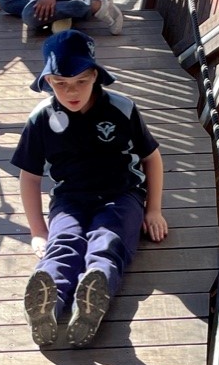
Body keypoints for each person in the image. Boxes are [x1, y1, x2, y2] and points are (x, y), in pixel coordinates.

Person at [11, 29, 168, 347]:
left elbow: (151, 158)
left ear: (95, 75)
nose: (72, 91)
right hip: (69, 199)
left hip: (121, 195)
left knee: (107, 240)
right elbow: (30, 177)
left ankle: (92, 297)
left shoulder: (121, 109)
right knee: (63, 242)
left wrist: (153, 209)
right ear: (48, 81)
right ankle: (48, 302)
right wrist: (38, 231)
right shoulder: (40, 119)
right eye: (60, 83)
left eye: (81, 81)